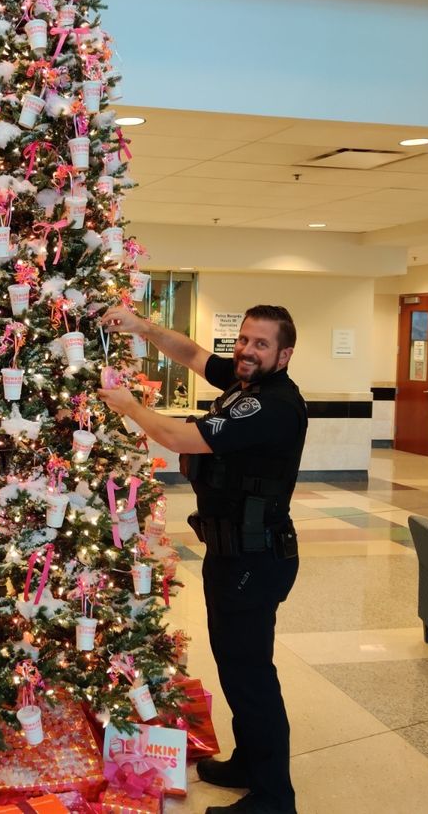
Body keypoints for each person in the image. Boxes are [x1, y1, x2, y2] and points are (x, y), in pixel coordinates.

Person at [98, 304, 306, 814]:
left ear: (285, 354)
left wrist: (128, 406)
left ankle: (274, 797)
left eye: (261, 344)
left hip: (254, 559)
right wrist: (143, 327)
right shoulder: (244, 383)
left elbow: (177, 437)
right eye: (245, 340)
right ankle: (249, 765)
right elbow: (191, 353)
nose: (247, 351)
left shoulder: (272, 404)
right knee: (237, 667)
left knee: (251, 673)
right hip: (233, 552)